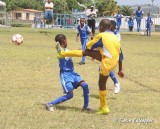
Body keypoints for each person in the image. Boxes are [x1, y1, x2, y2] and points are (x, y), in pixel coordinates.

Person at [56, 19, 121, 115]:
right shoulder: (115, 36)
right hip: (113, 60)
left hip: (107, 61)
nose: (98, 29)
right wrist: (120, 69)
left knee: (101, 84)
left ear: (102, 27)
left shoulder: (101, 35)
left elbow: (89, 45)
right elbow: (120, 53)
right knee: (87, 53)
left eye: (99, 27)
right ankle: (63, 53)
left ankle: (104, 108)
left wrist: (88, 50)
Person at [46, 34, 90, 112]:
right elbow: (72, 54)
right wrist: (83, 51)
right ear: (64, 41)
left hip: (73, 73)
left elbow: (71, 52)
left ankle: (86, 107)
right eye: (66, 40)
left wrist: (79, 50)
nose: (67, 42)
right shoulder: (60, 52)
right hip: (65, 75)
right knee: (70, 95)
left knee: (85, 85)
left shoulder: (65, 50)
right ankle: (50, 104)